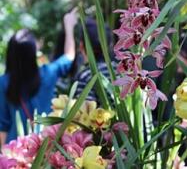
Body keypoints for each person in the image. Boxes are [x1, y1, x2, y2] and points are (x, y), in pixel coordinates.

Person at [0, 10, 77, 145]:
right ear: (33, 54)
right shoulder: (47, 74)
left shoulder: (3, 82)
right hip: (44, 145)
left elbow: (3, 124)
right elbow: (69, 56)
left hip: (16, 148)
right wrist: (69, 25)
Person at [74, 18, 115, 104]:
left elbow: (86, 112)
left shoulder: (86, 76)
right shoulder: (120, 71)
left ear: (81, 46)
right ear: (110, 45)